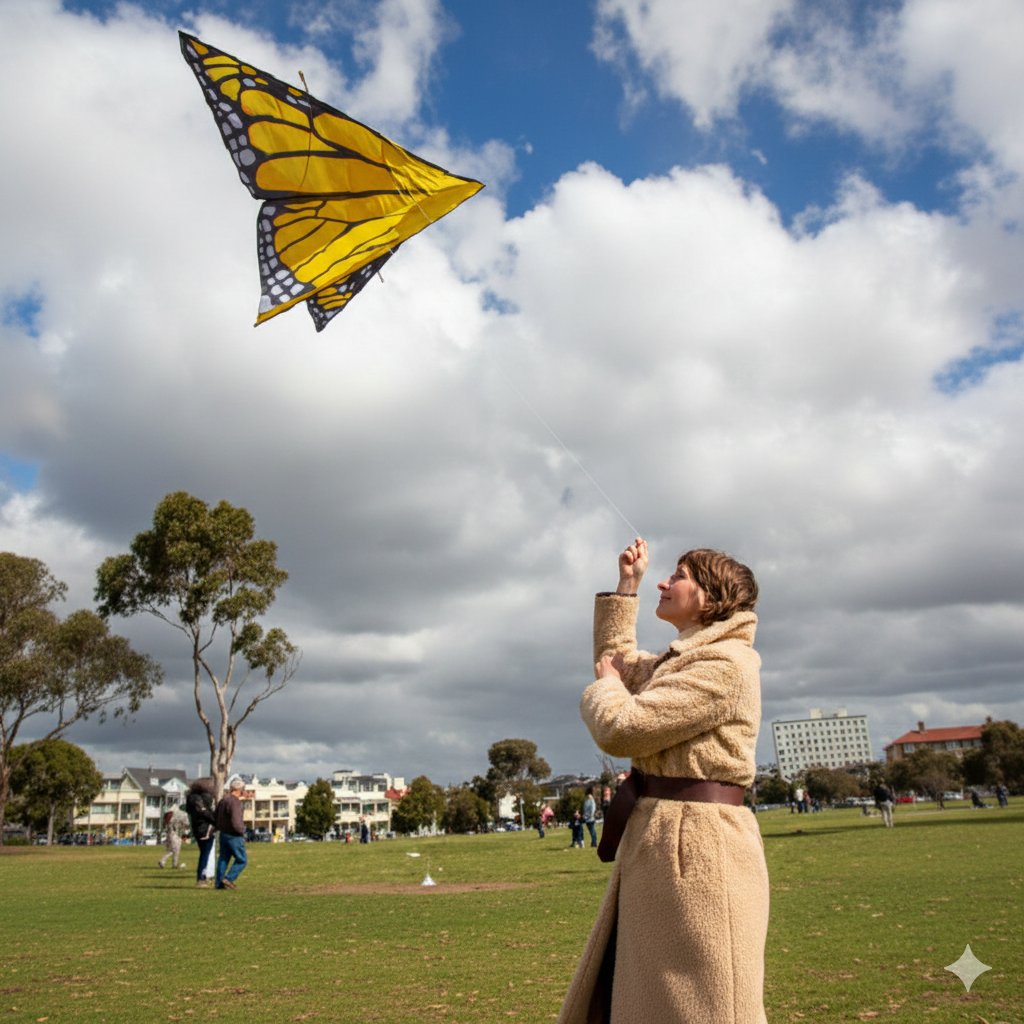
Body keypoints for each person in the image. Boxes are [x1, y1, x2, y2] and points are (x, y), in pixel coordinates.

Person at [558, 539, 768, 1024]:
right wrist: (626, 586)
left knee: (705, 1003)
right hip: (664, 839)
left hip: (700, 846)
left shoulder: (725, 665)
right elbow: (617, 664)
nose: (663, 582)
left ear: (711, 598)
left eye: (678, 576)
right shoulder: (683, 661)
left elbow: (621, 726)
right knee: (649, 1000)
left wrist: (606, 688)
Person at [214, 777, 248, 890]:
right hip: (234, 836)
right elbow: (236, 820)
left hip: (223, 834)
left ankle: (219, 883)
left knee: (223, 859)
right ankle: (229, 879)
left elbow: (216, 816)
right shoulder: (235, 802)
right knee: (242, 860)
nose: (244, 791)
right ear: (239, 789)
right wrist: (242, 831)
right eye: (243, 789)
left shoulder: (223, 800)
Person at [185, 777, 218, 887]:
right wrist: (216, 820)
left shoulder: (191, 798)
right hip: (206, 829)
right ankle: (201, 878)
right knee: (205, 854)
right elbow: (206, 813)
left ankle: (202, 876)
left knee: (204, 853)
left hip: (197, 829)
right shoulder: (204, 798)